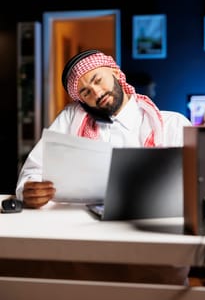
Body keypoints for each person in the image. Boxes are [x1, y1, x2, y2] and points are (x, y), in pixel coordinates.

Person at [15, 49, 191, 285]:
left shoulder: (173, 125)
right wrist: (29, 189)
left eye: (98, 80)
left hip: (153, 253)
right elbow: (32, 172)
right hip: (87, 254)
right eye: (86, 92)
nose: (97, 93)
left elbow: (198, 185)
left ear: (115, 73)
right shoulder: (71, 119)